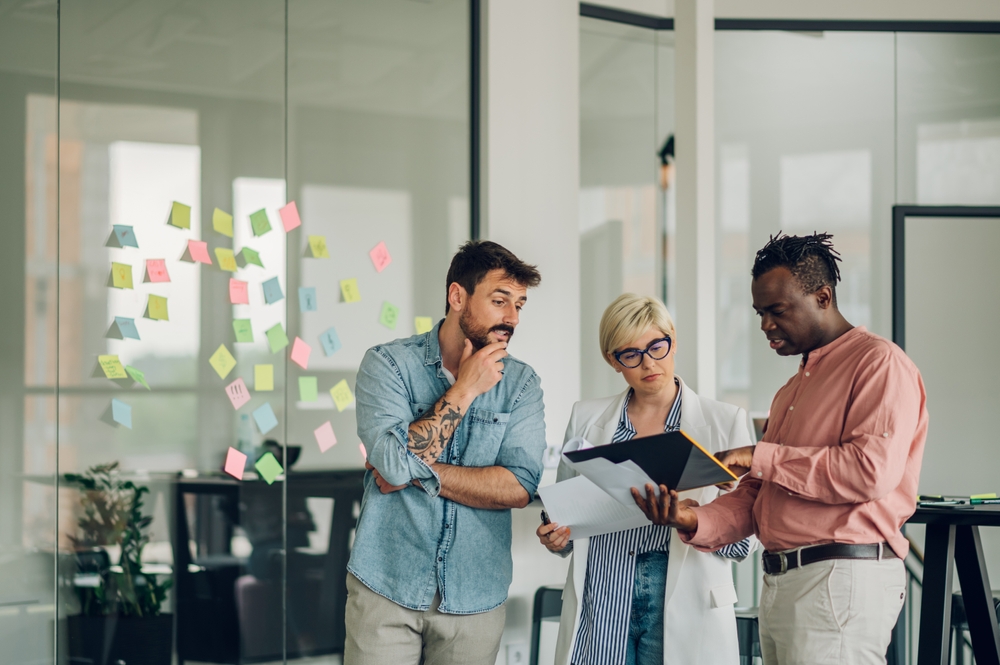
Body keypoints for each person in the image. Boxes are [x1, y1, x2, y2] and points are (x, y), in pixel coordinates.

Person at [633, 233, 928, 665]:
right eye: (759, 313)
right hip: (783, 583)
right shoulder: (792, 389)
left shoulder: (879, 364)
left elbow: (869, 472)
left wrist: (759, 455)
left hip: (837, 579)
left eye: (777, 311)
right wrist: (690, 518)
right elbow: (758, 495)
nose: (765, 325)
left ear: (823, 297)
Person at [346, 240, 546, 665]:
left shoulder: (522, 385)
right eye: (499, 300)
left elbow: (519, 488)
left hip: (476, 597)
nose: (511, 317)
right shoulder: (388, 365)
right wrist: (466, 389)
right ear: (458, 297)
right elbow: (392, 464)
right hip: (387, 586)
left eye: (519, 305)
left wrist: (416, 470)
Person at [537, 294, 756, 665]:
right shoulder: (586, 417)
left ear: (672, 337)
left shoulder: (725, 421)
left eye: (657, 346)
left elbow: (742, 547)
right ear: (613, 360)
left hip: (682, 596)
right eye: (631, 354)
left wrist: (710, 507)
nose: (649, 363)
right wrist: (555, 538)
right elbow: (567, 519)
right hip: (603, 593)